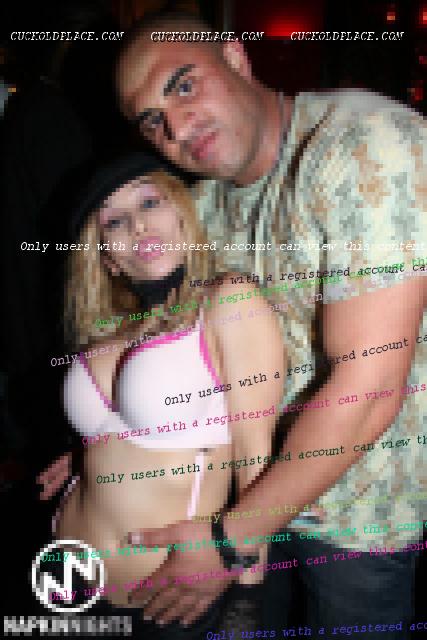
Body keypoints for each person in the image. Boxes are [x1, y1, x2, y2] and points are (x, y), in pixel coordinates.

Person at [111, 10, 427, 636]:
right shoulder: (202, 203)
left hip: (357, 513)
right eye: (152, 120)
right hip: (247, 492)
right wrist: (106, 429)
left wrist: (227, 541)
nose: (177, 128)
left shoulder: (366, 142)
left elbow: (367, 387)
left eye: (183, 85)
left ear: (235, 58)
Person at [53, 152, 284, 636]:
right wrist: (80, 457)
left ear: (182, 213)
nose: (137, 224)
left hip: (167, 599)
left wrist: (247, 595)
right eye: (114, 220)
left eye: (149, 202)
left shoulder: (228, 302)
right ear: (107, 257)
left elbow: (255, 461)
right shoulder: (110, 332)